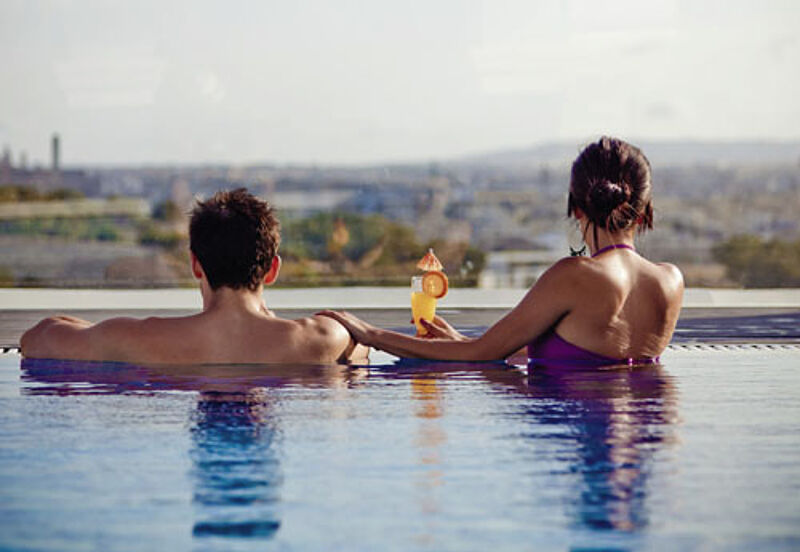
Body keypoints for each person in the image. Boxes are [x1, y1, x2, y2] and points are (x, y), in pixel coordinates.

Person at [321, 137, 684, 365]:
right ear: (646, 209)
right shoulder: (671, 282)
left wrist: (371, 334)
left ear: (575, 207)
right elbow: (596, 362)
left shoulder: (576, 275)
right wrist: (468, 343)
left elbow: (480, 357)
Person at [21, 189, 368, 364]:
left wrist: (94, 329)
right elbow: (361, 348)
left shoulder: (137, 337)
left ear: (195, 265)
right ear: (272, 269)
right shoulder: (322, 337)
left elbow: (36, 339)